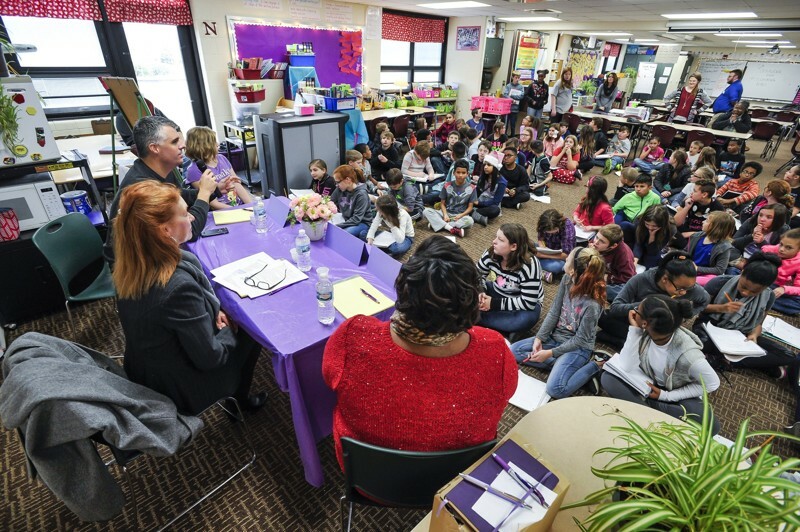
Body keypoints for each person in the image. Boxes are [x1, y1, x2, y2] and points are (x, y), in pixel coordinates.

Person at [322, 235, 518, 470]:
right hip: (457, 480)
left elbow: (327, 378)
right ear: (470, 301)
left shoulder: (354, 336)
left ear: (403, 289)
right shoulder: (496, 350)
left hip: (368, 476)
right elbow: (503, 396)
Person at [113, 180, 264, 415]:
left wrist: (214, 311)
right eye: (185, 214)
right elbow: (211, 357)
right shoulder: (176, 288)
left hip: (147, 370)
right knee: (252, 327)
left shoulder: (133, 264)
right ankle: (238, 402)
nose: (192, 217)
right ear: (165, 230)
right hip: (181, 387)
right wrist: (229, 329)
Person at [104, 115, 223, 265]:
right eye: (174, 142)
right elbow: (188, 231)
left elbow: (180, 196)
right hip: (133, 268)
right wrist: (204, 194)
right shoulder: (142, 187)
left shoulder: (160, 169)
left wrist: (213, 190)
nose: (182, 145)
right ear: (154, 148)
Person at [600, 294, 720, 432]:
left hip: (675, 391)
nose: (633, 312)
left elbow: (712, 383)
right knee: (607, 378)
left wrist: (666, 396)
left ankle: (645, 409)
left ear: (645, 322)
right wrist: (635, 330)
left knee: (711, 425)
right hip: (648, 381)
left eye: (637, 311)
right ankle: (654, 414)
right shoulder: (645, 333)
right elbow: (626, 365)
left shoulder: (689, 356)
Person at [511, 247, 607, 399]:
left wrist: (550, 353)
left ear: (573, 271)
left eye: (568, 259)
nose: (565, 259)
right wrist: (539, 338)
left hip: (577, 348)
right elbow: (554, 311)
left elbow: (581, 340)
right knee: (514, 351)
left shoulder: (592, 305)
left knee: (556, 389)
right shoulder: (567, 280)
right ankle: (563, 366)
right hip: (555, 337)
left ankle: (595, 365)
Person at [693, 253, 798, 382]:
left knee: (788, 356)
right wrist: (721, 308)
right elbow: (697, 307)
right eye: (744, 287)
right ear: (742, 272)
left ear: (766, 287)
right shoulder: (720, 282)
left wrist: (753, 335)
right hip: (711, 327)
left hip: (741, 334)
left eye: (754, 292)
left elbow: (758, 324)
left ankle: (724, 360)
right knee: (699, 342)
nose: (745, 293)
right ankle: (754, 363)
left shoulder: (768, 296)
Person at [597, 251, 710, 351]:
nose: (684, 293)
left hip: (660, 331)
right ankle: (632, 343)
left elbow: (705, 300)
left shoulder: (690, 288)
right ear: (665, 279)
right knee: (602, 316)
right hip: (636, 321)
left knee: (671, 347)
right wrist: (643, 305)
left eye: (688, 288)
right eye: (680, 289)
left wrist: (686, 316)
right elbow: (615, 308)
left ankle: (619, 341)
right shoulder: (641, 280)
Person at [476, 223, 544, 336]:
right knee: (465, 290)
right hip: (497, 291)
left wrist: (493, 304)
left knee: (526, 319)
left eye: (500, 240)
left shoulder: (529, 265)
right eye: (496, 237)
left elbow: (528, 302)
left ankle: (479, 318)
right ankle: (502, 326)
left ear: (513, 246)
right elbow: (477, 275)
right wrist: (481, 291)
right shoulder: (491, 253)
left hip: (522, 303)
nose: (494, 241)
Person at [184, 126, 253, 210]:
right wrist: (236, 211)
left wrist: (250, 206)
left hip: (236, 204)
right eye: (213, 142)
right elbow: (211, 201)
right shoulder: (193, 170)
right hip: (221, 211)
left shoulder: (222, 158)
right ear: (203, 146)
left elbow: (236, 184)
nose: (217, 144)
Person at [423, 160, 476, 238]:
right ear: (454, 173)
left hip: (460, 216)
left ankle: (439, 224)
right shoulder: (447, 185)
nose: (460, 175)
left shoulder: (472, 188)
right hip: (445, 213)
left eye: (463, 173)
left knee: (470, 221)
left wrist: (461, 215)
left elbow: (470, 207)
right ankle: (450, 228)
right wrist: (445, 215)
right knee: (426, 211)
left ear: (467, 174)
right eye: (458, 172)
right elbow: (442, 203)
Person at [729, 204, 789, 274]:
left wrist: (762, 242)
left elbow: (778, 256)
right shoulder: (750, 222)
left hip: (762, 264)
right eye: (760, 215)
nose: (762, 219)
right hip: (740, 260)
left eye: (768, 217)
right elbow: (733, 243)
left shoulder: (783, 230)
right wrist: (751, 236)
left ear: (777, 220)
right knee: (726, 253)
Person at [686, 211, 736, 284]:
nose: (703, 222)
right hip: (688, 268)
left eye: (706, 221)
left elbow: (719, 270)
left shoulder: (724, 247)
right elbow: (685, 252)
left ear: (715, 227)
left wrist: (697, 268)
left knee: (710, 279)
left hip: (705, 275)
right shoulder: (695, 236)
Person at [612, 174, 662, 243]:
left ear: (650, 188)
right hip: (626, 218)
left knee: (625, 226)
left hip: (642, 224)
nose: (638, 189)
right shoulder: (628, 196)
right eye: (636, 186)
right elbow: (615, 209)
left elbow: (656, 214)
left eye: (642, 186)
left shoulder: (655, 198)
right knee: (616, 224)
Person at [591, 224, 635, 301]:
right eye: (597, 237)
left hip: (618, 282)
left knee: (597, 290)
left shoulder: (624, 255)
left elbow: (627, 278)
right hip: (603, 273)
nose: (596, 242)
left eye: (602, 241)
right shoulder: (597, 243)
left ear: (613, 246)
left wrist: (607, 277)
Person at [761, 228, 800, 315]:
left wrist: (784, 289)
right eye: (781, 244)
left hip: (777, 288)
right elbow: (763, 250)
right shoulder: (776, 249)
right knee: (733, 271)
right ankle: (762, 296)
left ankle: (759, 296)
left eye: (788, 248)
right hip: (763, 279)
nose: (782, 249)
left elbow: (799, 288)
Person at [330, 165, 375, 238]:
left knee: (342, 235)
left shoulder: (361, 194)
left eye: (338, 182)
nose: (336, 185)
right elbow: (329, 203)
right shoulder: (339, 189)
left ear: (348, 180)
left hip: (362, 223)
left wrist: (337, 226)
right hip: (347, 220)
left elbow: (356, 219)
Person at [536, 208, 576, 281]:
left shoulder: (567, 227)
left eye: (552, 231)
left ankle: (531, 264)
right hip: (547, 250)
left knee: (557, 267)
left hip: (560, 256)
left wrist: (542, 255)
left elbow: (566, 255)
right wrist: (542, 247)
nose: (550, 233)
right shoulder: (543, 224)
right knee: (526, 245)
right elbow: (540, 239)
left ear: (559, 225)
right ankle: (539, 269)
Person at [632, 205, 675, 270]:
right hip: (638, 244)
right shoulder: (639, 220)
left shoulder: (670, 229)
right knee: (625, 226)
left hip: (654, 247)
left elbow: (652, 251)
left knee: (650, 266)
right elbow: (638, 242)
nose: (650, 228)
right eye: (647, 224)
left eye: (654, 226)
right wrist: (635, 259)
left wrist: (652, 236)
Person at [472, 151, 507, 226]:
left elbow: (496, 202)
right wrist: (473, 199)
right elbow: (478, 190)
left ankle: (472, 212)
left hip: (489, 205)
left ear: (495, 167)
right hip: (479, 201)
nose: (485, 167)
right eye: (485, 164)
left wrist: (479, 203)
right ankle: (476, 214)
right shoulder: (483, 175)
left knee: (495, 210)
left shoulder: (501, 182)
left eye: (489, 165)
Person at [499, 146, 530, 210]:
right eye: (504, 155)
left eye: (509, 155)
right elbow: (494, 181)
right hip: (502, 191)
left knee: (526, 195)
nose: (506, 158)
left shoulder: (521, 169)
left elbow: (526, 185)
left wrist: (516, 190)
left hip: (514, 192)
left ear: (515, 157)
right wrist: (503, 188)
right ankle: (513, 203)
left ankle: (502, 202)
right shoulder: (500, 168)